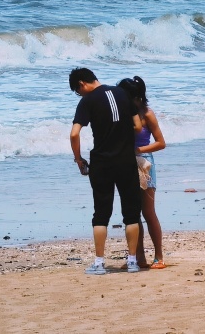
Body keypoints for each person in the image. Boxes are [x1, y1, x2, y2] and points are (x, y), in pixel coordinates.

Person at [69, 67, 143, 275]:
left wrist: (78, 159)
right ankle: (132, 262)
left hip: (102, 162)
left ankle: (99, 263)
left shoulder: (87, 101)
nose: (80, 94)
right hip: (126, 160)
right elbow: (137, 125)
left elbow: (74, 134)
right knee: (131, 212)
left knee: (101, 214)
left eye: (78, 91)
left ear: (82, 83)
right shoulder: (122, 93)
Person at [118, 76, 166, 269]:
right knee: (132, 214)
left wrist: (138, 150)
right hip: (125, 162)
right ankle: (138, 258)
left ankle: (159, 256)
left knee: (148, 212)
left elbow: (161, 143)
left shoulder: (147, 114)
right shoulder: (122, 113)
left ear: (135, 97)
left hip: (144, 163)